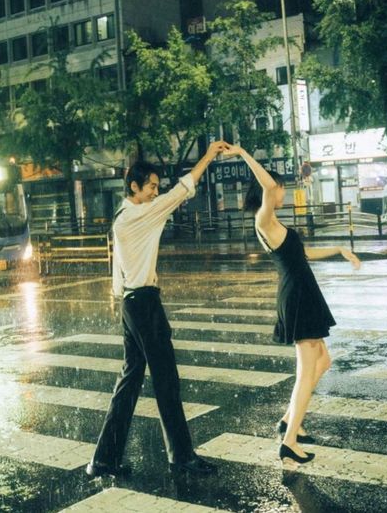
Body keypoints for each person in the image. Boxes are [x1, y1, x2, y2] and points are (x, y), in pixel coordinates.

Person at [86, 141, 229, 478]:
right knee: (166, 380)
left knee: (131, 380)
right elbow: (183, 190)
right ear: (134, 186)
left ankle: (105, 458)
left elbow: (118, 271)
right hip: (145, 304)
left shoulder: (121, 216)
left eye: (155, 187)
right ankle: (181, 456)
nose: (155, 191)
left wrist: (121, 299)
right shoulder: (140, 214)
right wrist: (208, 155)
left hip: (130, 303)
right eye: (150, 186)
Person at [224, 144, 360, 469]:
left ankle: (289, 420)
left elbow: (305, 254)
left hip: (304, 294)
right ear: (269, 190)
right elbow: (268, 186)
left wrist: (341, 249)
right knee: (305, 371)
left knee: (323, 362)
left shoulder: (278, 225)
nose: (283, 190)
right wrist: (243, 152)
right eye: (281, 186)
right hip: (297, 297)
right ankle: (289, 441)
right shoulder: (264, 219)